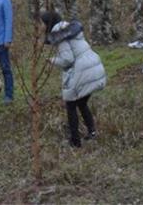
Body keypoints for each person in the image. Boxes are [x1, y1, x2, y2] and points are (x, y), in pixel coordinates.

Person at [42, 11, 106, 148]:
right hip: (93, 65)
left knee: (71, 105)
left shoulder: (59, 35)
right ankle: (92, 131)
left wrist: (52, 60)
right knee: (82, 103)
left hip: (81, 70)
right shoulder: (70, 29)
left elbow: (67, 59)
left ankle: (75, 141)